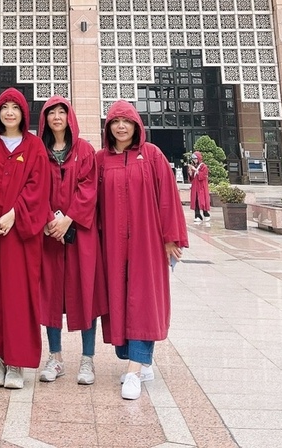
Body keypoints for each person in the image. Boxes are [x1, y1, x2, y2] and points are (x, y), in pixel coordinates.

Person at [96, 100, 188, 401]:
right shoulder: (101, 160)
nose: (121, 126)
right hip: (112, 245)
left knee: (143, 302)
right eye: (115, 121)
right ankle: (139, 360)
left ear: (137, 126)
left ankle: (134, 371)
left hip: (147, 243)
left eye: (127, 121)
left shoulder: (151, 156)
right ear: (108, 127)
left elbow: (168, 199)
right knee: (119, 302)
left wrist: (171, 238)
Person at [0, 88, 50, 391]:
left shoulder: (34, 147)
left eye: (14, 107)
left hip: (21, 237)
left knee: (19, 297)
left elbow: (38, 187)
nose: (9, 112)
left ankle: (16, 362)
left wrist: (13, 214)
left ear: (23, 113)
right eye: (3, 107)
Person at [37, 95, 106, 386]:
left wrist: (68, 219)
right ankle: (55, 357)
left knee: (85, 293)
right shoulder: (39, 151)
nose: (56, 117)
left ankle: (87, 359)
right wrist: (48, 220)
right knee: (50, 296)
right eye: (50, 112)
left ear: (69, 117)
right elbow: (34, 188)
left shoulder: (85, 151)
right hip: (50, 236)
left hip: (81, 236)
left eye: (61, 112)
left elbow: (88, 188)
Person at [188, 151, 211, 225]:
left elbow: (203, 176)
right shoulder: (193, 166)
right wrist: (190, 173)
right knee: (195, 201)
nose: (194, 160)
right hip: (195, 186)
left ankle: (206, 214)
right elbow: (192, 178)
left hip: (201, 186)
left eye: (195, 159)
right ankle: (197, 215)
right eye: (193, 159)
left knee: (202, 200)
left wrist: (195, 170)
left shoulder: (203, 166)